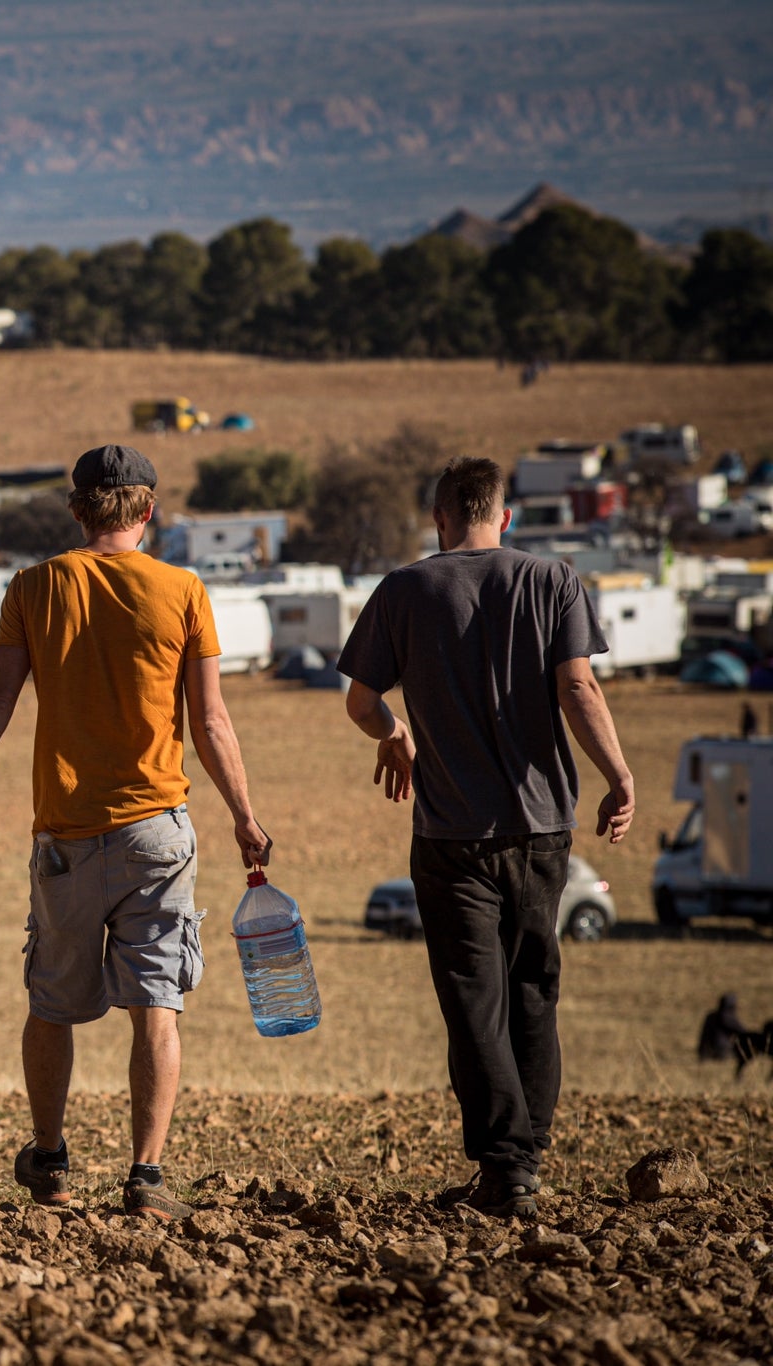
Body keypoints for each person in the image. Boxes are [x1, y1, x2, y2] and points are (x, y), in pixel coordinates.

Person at [0, 445, 271, 1220]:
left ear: (77, 510)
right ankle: (146, 1177)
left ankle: (52, 1161)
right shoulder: (184, 590)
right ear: (149, 511)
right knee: (157, 1005)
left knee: (52, 1004)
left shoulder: (34, 587)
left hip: (66, 835)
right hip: (157, 834)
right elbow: (210, 719)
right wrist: (243, 813)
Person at [338, 456, 635, 1220]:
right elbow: (578, 687)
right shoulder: (553, 580)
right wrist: (619, 775)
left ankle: (507, 1166)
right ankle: (522, 1161)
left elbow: (361, 700)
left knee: (475, 1002)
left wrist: (396, 733)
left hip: (449, 835)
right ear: (504, 518)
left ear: (439, 520)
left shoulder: (406, 589)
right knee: (534, 989)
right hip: (542, 830)